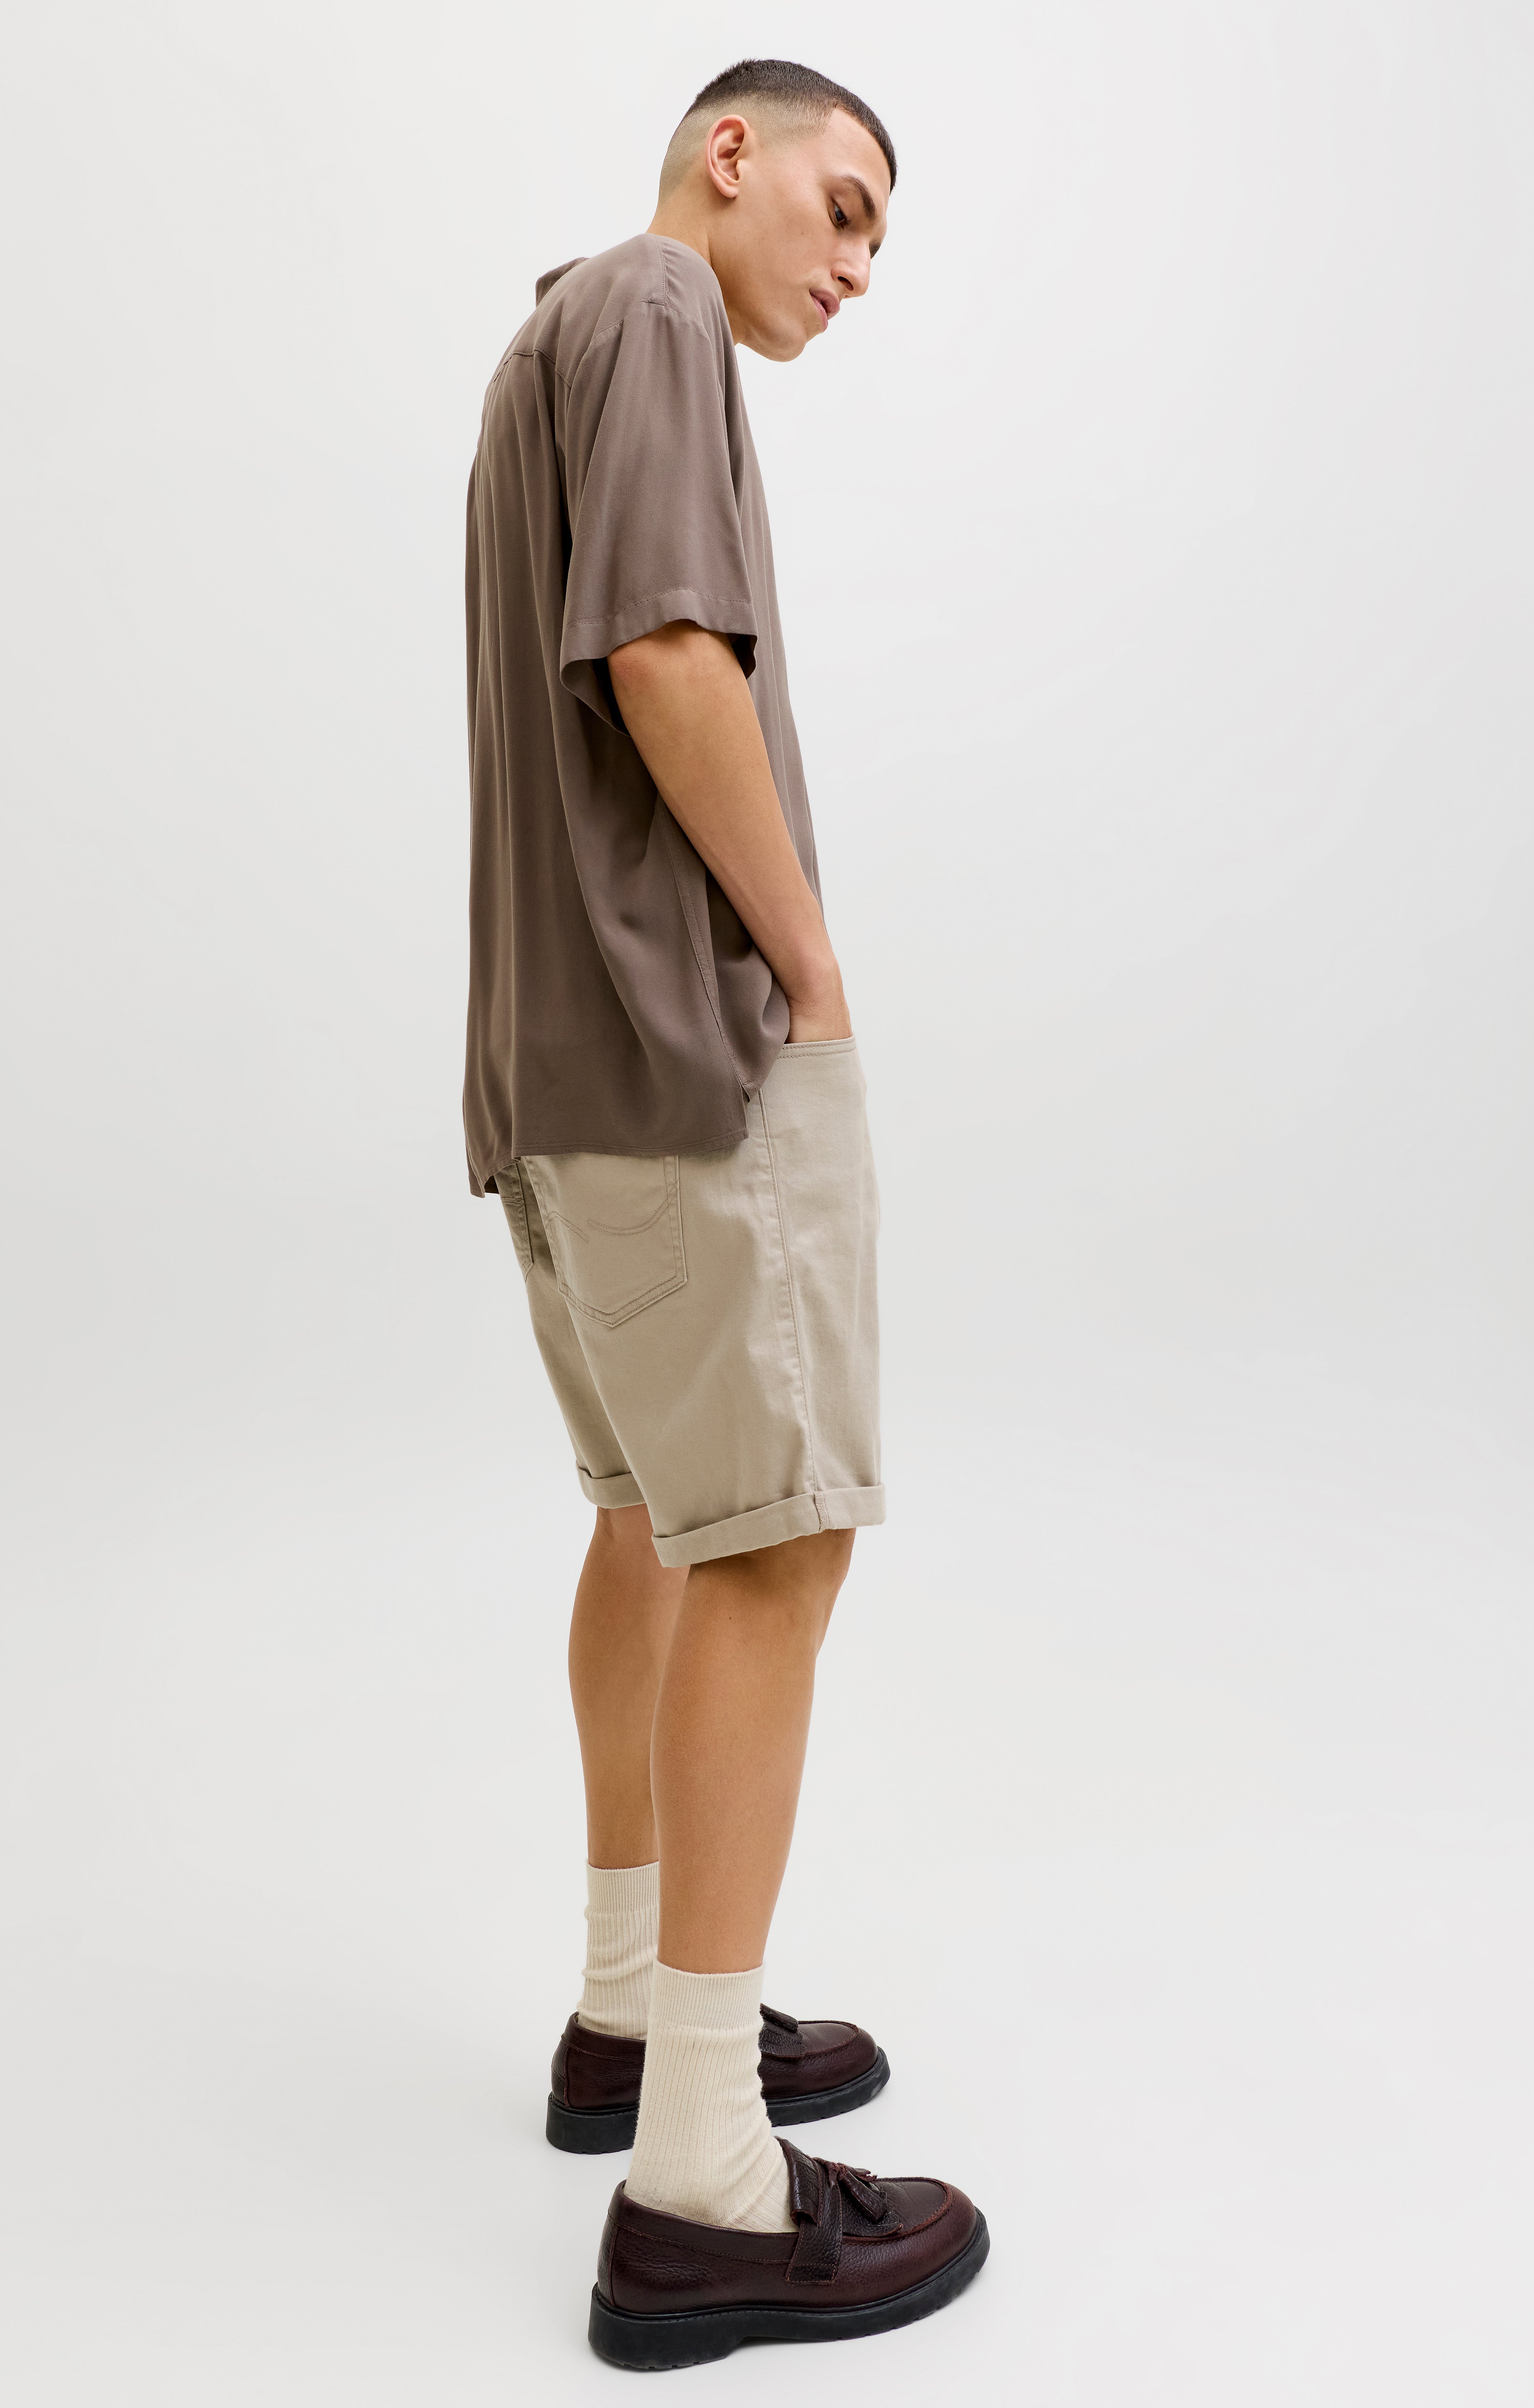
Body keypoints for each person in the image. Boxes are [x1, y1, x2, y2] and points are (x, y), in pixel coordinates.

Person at [462, 57, 989, 2368]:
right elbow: (667, 660)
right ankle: (701, 2177)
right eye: (848, 206)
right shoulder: (664, 306)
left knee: (661, 1528)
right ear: (731, 151)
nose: (859, 267)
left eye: (884, 241)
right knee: (774, 1547)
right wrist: (812, 961)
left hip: (555, 1066)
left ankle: (634, 2015)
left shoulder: (552, 335)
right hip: (683, 1055)